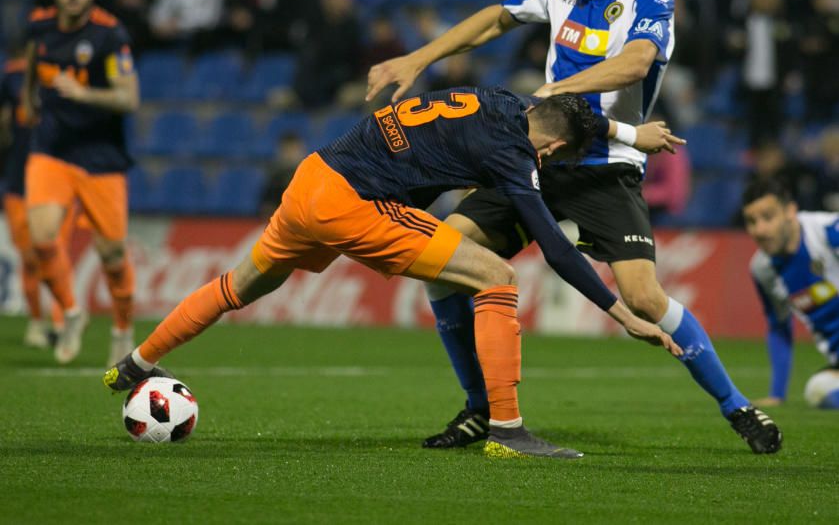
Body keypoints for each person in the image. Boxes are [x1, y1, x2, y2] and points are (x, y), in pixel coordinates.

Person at [366, 0, 782, 455]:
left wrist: (559, 89)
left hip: (605, 168)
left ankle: (737, 406)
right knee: (444, 260)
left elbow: (636, 62)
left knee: (643, 297)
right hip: (536, 159)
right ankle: (479, 409)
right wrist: (418, 58)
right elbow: (496, 19)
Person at [104, 87, 683, 459]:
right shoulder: (516, 153)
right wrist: (620, 312)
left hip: (311, 178)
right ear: (552, 144)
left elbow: (565, 105)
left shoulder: (504, 99)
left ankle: (135, 363)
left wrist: (627, 133)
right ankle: (507, 429)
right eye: (555, 154)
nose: (550, 161)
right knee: (497, 277)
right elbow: (556, 248)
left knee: (239, 285)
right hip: (353, 204)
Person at [22, 0, 140, 365]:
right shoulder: (39, 25)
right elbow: (34, 63)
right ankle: (72, 312)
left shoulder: (110, 36)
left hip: (100, 157)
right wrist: (27, 103)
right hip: (51, 148)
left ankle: (123, 329)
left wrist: (83, 93)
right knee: (41, 238)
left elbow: (130, 97)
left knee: (111, 255)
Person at [742, 178, 839, 409]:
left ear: (790, 211)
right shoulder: (762, 269)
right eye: (751, 221)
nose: (760, 230)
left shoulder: (828, 231)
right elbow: (779, 327)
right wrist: (777, 394)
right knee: (818, 390)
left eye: (768, 217)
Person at [0, 54, 66, 348]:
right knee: (29, 258)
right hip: (18, 183)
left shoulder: (66, 76)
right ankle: (37, 323)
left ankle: (62, 320)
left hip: (54, 183)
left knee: (53, 253)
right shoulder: (14, 76)